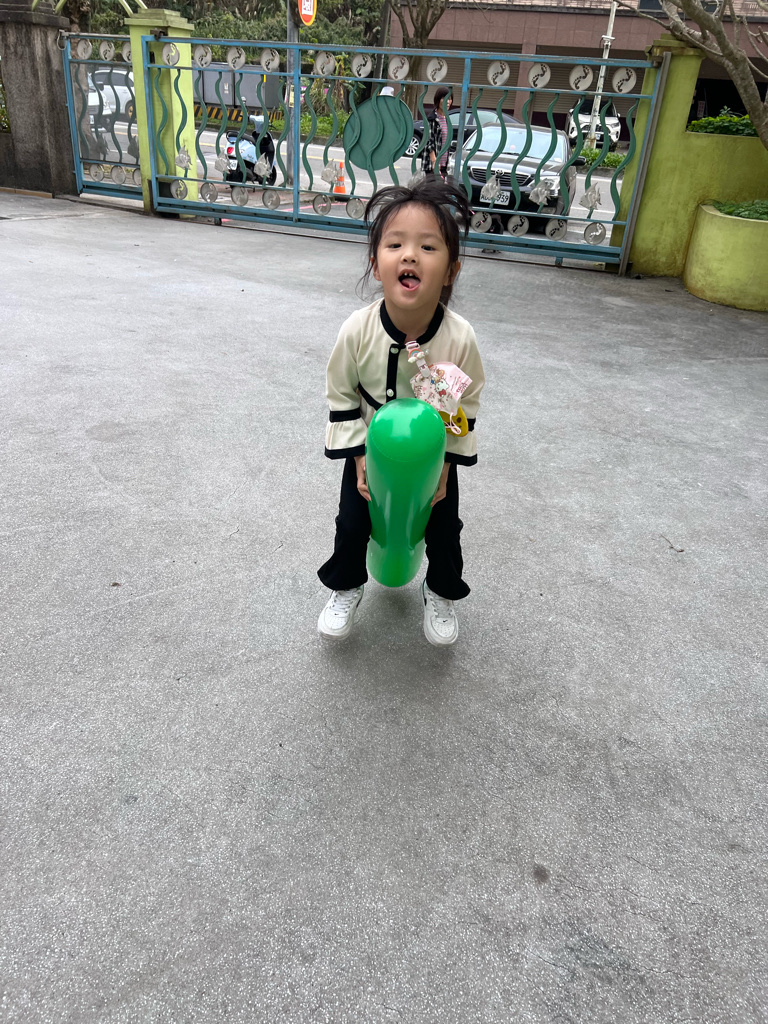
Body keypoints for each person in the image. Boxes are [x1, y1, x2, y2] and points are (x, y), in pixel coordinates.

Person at [317, 177, 485, 646]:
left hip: (433, 455)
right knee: (353, 522)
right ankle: (346, 586)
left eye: (428, 247)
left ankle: (441, 591)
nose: (410, 255)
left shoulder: (459, 337)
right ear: (377, 264)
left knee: (444, 527)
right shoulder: (358, 329)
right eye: (395, 245)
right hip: (369, 449)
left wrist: (445, 468)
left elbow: (466, 403)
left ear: (450, 270)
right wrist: (358, 458)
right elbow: (340, 391)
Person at [422, 86, 453, 178]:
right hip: (433, 165)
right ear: (438, 100)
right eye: (444, 98)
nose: (447, 102)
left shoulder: (447, 119)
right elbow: (428, 141)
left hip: (443, 165)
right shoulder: (432, 119)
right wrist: (434, 161)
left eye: (449, 99)